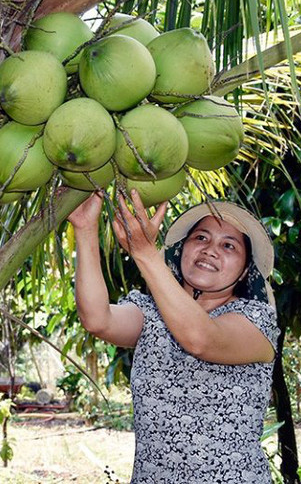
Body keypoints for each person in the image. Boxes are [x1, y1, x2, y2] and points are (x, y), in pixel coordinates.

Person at [68, 189, 280, 484]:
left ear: (245, 272)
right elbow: (98, 319)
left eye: (229, 246)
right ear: (183, 250)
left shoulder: (257, 321)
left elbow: (200, 339)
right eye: (201, 238)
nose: (210, 249)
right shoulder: (150, 312)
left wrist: (143, 252)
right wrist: (85, 228)